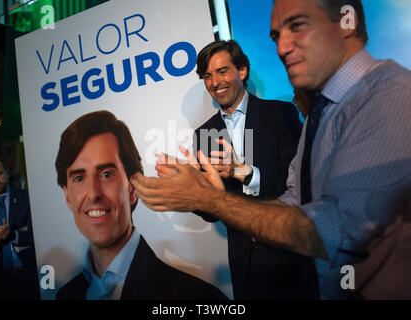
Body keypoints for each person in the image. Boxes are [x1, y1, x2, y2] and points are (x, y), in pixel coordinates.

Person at [132, 0, 411, 299]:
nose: (281, 48)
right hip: (248, 271)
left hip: (292, 266)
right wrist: (199, 193)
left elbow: (331, 227)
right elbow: (295, 197)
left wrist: (230, 184)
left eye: (297, 26)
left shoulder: (385, 94)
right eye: (277, 36)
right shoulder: (322, 114)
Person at [159, 40, 316, 299]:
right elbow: (213, 213)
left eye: (222, 71)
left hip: (289, 259)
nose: (215, 82)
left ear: (241, 72)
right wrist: (192, 191)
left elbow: (300, 187)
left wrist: (244, 173)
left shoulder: (280, 114)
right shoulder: (205, 133)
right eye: (207, 76)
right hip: (246, 269)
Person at [54, 110, 227, 300]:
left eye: (106, 174)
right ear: (67, 195)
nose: (94, 194)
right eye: (79, 177)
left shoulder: (198, 298)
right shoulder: (65, 295)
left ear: (133, 187)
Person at [0, 155, 40, 300]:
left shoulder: (26, 197)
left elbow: (39, 234)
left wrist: (13, 235)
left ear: (7, 172)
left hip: (29, 275)